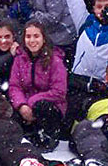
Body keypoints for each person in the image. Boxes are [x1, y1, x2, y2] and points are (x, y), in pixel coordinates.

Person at [8, 21, 68, 150]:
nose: (32, 40)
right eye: (28, 36)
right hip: (25, 105)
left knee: (42, 106)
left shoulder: (55, 60)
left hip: (49, 107)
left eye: (36, 36)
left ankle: (48, 137)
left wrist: (32, 102)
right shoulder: (19, 59)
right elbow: (15, 86)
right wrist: (22, 105)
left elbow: (59, 91)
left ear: (43, 38)